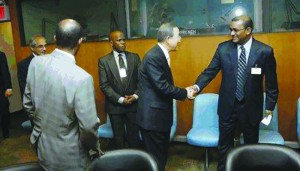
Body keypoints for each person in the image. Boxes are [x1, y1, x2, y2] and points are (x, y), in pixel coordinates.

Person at [190, 15, 279, 171]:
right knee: (224, 147)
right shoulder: (223, 48)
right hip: (227, 107)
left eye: (236, 30)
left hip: (251, 108)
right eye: (230, 29)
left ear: (248, 30)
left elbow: (272, 84)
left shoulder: (264, 51)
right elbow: (209, 72)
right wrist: (196, 87)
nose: (232, 33)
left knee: (251, 148)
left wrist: (269, 108)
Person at [23, 19, 102, 170]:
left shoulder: (36, 64)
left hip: (43, 149)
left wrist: (43, 126)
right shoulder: (82, 78)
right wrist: (94, 147)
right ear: (80, 41)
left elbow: (27, 104)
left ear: (54, 39)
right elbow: (88, 128)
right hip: (71, 157)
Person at [137, 22, 194, 171]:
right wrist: (185, 93)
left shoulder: (161, 54)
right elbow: (162, 86)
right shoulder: (153, 56)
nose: (180, 39)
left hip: (159, 116)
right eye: (178, 36)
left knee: (160, 157)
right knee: (156, 160)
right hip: (153, 118)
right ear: (168, 39)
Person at [98, 30, 141, 149]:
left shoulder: (134, 57)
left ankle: (135, 163)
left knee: (134, 139)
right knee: (119, 140)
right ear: (111, 43)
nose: (123, 42)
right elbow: (104, 85)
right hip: (115, 107)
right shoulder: (104, 61)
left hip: (133, 105)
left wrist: (135, 96)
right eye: (119, 40)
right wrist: (121, 99)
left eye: (123, 39)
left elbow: (142, 81)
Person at [0, 51, 12, 138]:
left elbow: (5, 71)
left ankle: (6, 135)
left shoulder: (1, 55)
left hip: (1, 89)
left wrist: (8, 88)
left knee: (4, 111)